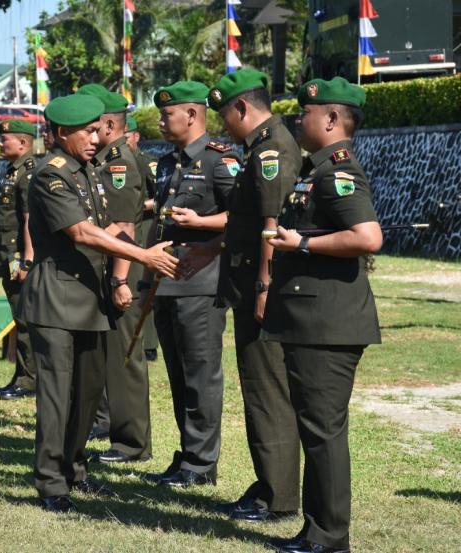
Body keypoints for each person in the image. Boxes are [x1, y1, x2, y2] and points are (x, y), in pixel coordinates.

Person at [18, 94, 177, 513]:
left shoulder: (87, 170)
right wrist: (144, 256)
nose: (95, 138)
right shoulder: (49, 175)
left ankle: (75, 470)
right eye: (86, 132)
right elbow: (83, 233)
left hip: (91, 300)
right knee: (57, 396)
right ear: (61, 133)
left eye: (96, 130)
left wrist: (137, 259)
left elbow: (112, 228)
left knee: (87, 394)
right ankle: (51, 483)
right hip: (56, 301)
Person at [263, 77, 383, 553]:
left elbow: (368, 236)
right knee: (317, 428)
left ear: (331, 120)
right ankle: (318, 531)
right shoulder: (317, 171)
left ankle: (329, 538)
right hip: (312, 319)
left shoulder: (336, 172)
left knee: (322, 432)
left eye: (306, 113)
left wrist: (304, 242)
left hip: (326, 325)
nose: (297, 120)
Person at [179, 68, 302, 522]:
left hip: (261, 287)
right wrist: (210, 249)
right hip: (250, 282)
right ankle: (270, 481)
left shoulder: (270, 151)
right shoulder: (261, 147)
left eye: (224, 114)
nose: (223, 125)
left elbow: (272, 226)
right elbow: (245, 225)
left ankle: (279, 495)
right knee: (260, 389)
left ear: (242, 107)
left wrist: (265, 286)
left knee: (267, 390)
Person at [140, 81, 237, 488]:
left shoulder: (222, 160)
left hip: (202, 281)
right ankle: (187, 455)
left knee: (201, 375)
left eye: (168, 114)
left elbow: (243, 217)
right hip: (167, 281)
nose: (162, 121)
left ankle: (201, 463)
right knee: (179, 376)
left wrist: (201, 224)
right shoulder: (166, 163)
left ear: (193, 115)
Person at [77, 85, 153, 464]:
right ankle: (112, 427)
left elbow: (124, 224)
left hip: (122, 267)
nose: (89, 133)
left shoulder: (119, 161)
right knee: (109, 356)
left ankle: (132, 442)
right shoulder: (108, 158)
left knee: (124, 359)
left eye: (93, 125)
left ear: (108, 124)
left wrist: (120, 280)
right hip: (113, 266)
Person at [0, 120, 38, 401]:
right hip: (8, 256)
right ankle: (20, 375)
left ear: (22, 143)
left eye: (4, 139)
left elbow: (29, 220)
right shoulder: (14, 170)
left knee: (24, 318)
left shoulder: (29, 173)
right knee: (17, 315)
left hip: (19, 257)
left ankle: (29, 380)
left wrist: (27, 261)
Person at [125, 114, 160, 363]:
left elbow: (161, 198)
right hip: (124, 228)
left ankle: (149, 343)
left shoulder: (145, 162)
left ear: (136, 136)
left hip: (145, 225)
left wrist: (139, 207)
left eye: (127, 136)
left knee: (144, 284)